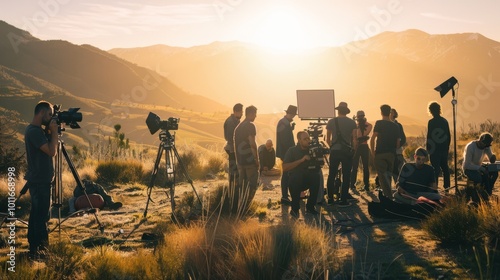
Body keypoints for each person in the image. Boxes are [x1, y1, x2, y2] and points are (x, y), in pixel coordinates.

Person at [24, 101, 58, 258]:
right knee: (41, 217)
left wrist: (50, 132)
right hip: (39, 181)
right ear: (41, 113)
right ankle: (43, 251)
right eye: (49, 114)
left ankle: (34, 248)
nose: (51, 117)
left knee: (37, 215)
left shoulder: (36, 131)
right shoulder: (34, 132)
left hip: (40, 180)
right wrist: (55, 132)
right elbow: (52, 151)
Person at [282, 131, 321, 218]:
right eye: (305, 139)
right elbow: (284, 167)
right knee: (296, 176)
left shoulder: (312, 149)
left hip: (308, 178)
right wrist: (301, 160)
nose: (308, 141)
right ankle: (295, 209)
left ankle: (310, 207)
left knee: (316, 176)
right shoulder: (292, 151)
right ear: (299, 140)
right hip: (295, 180)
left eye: (308, 138)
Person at [326, 102, 357, 207]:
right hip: (346, 151)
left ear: (338, 110)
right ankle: (343, 200)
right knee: (346, 175)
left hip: (334, 151)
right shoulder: (352, 123)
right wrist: (353, 150)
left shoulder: (331, 122)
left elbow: (327, 139)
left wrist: (332, 146)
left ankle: (330, 199)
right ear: (346, 111)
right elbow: (354, 139)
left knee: (331, 175)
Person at [370, 104, 401, 199]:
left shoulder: (379, 123)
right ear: (390, 113)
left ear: (381, 112)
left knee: (382, 177)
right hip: (391, 154)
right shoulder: (395, 126)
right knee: (388, 176)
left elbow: (373, 138)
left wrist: (373, 152)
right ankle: (388, 195)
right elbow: (398, 143)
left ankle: (388, 197)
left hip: (380, 153)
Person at [233, 105, 259, 209]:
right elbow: (252, 144)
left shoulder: (238, 127)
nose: (256, 116)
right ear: (251, 114)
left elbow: (235, 145)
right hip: (249, 161)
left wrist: (237, 160)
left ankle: (239, 207)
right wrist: (256, 159)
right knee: (252, 185)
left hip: (240, 161)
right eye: (255, 114)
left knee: (241, 186)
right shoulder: (250, 126)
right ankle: (247, 207)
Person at [426, 101, 451, 193]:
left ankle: (434, 188)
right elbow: (448, 135)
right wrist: (447, 147)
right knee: (445, 168)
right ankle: (447, 187)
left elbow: (429, 136)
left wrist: (428, 149)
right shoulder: (444, 121)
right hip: (444, 149)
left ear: (430, 111)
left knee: (435, 169)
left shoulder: (431, 122)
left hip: (434, 149)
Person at [276, 105, 297, 205]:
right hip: (286, 153)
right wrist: (291, 152)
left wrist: (291, 129)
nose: (293, 117)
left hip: (285, 152)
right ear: (291, 114)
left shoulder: (284, 122)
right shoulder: (284, 123)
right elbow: (285, 141)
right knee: (286, 175)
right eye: (293, 115)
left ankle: (285, 195)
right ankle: (284, 196)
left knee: (286, 174)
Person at [350, 110, 372, 192]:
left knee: (362, 167)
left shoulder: (361, 126)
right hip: (361, 147)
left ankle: (358, 185)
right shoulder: (358, 126)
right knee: (358, 167)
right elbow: (356, 137)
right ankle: (355, 185)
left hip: (360, 147)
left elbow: (356, 136)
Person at [224, 103, 243, 187]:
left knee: (236, 169)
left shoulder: (236, 120)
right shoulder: (230, 122)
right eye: (241, 112)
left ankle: (235, 186)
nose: (242, 113)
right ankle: (232, 187)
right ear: (235, 111)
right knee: (233, 170)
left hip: (236, 148)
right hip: (232, 149)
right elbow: (230, 138)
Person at [390, 108, 406, 183]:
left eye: (391, 112)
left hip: (398, 152)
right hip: (390, 152)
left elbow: (403, 138)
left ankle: (399, 185)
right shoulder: (387, 125)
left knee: (399, 170)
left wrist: (398, 145)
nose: (390, 114)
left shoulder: (398, 125)